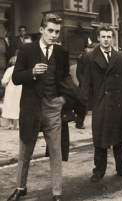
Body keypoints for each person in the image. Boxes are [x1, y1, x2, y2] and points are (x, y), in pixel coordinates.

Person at [7, 13, 73, 201]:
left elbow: (65, 76)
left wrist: (63, 98)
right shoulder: (27, 50)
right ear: (42, 30)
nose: (54, 35)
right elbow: (16, 77)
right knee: (25, 151)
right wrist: (32, 72)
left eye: (57, 32)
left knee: (56, 152)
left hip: (53, 107)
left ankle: (57, 193)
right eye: (50, 30)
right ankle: (20, 188)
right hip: (31, 108)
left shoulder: (62, 53)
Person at [79, 25, 122, 182]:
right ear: (98, 38)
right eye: (103, 37)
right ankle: (98, 171)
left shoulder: (120, 56)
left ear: (112, 39)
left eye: (109, 37)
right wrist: (82, 105)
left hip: (119, 103)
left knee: (120, 139)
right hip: (101, 103)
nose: (106, 40)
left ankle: (121, 169)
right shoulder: (90, 57)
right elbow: (86, 82)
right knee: (100, 139)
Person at [74, 40, 95, 129]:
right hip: (84, 86)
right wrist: (84, 83)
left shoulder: (94, 58)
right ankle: (79, 123)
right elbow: (79, 73)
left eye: (91, 48)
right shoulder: (82, 58)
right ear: (85, 49)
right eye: (88, 48)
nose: (90, 50)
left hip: (93, 85)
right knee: (83, 105)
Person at [1, 56, 21, 130]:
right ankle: (17, 124)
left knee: (10, 105)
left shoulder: (10, 69)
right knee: (18, 105)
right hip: (20, 90)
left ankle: (10, 124)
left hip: (11, 90)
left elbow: (4, 81)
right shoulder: (22, 69)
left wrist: (4, 85)